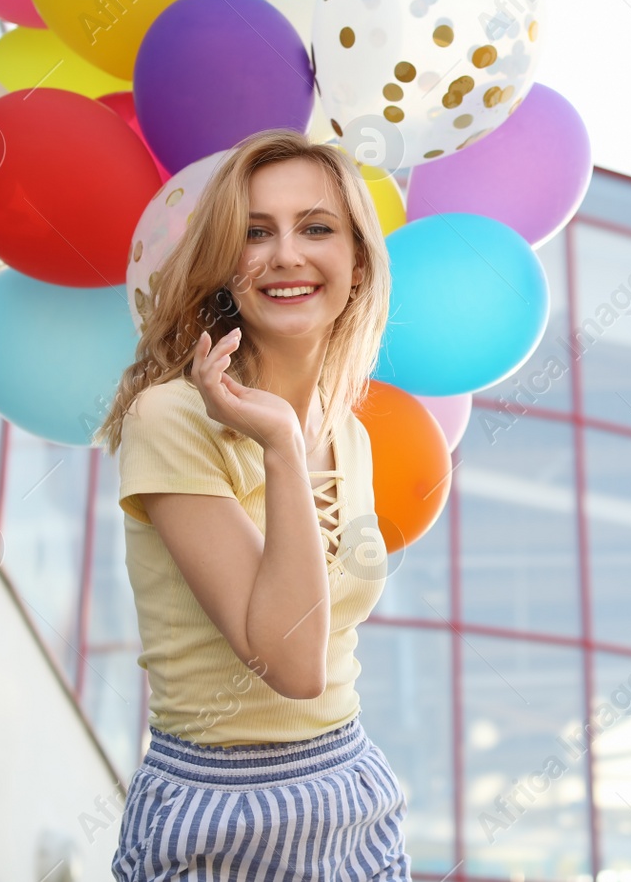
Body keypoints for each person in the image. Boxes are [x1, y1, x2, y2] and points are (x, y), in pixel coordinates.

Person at [95, 128, 408, 879]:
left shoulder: (351, 434)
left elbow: (333, 657)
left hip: (350, 791)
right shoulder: (169, 417)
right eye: (255, 232)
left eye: (317, 228)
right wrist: (277, 443)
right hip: (219, 814)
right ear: (224, 266)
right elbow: (292, 660)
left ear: (358, 261)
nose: (287, 255)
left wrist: (292, 440)